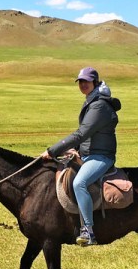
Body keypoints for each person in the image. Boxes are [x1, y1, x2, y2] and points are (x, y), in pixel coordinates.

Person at [41, 67, 121, 246]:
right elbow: (88, 134)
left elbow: (82, 133)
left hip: (101, 156)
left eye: (86, 81)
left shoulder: (99, 105)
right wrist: (75, 149)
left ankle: (88, 231)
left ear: (95, 82)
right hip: (88, 154)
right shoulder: (92, 100)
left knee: (79, 183)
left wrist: (52, 151)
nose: (83, 84)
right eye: (80, 82)